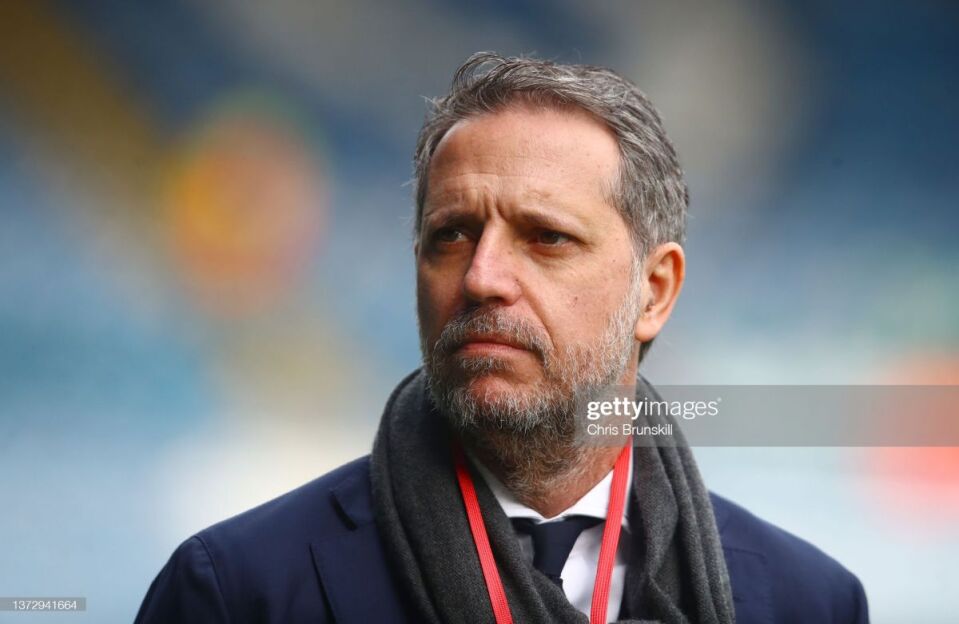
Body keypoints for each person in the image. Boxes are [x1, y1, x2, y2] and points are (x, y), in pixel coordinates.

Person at [135, 52, 869, 624]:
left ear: (654, 292)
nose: (482, 276)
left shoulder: (808, 603)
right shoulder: (238, 591)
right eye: (451, 235)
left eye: (546, 237)